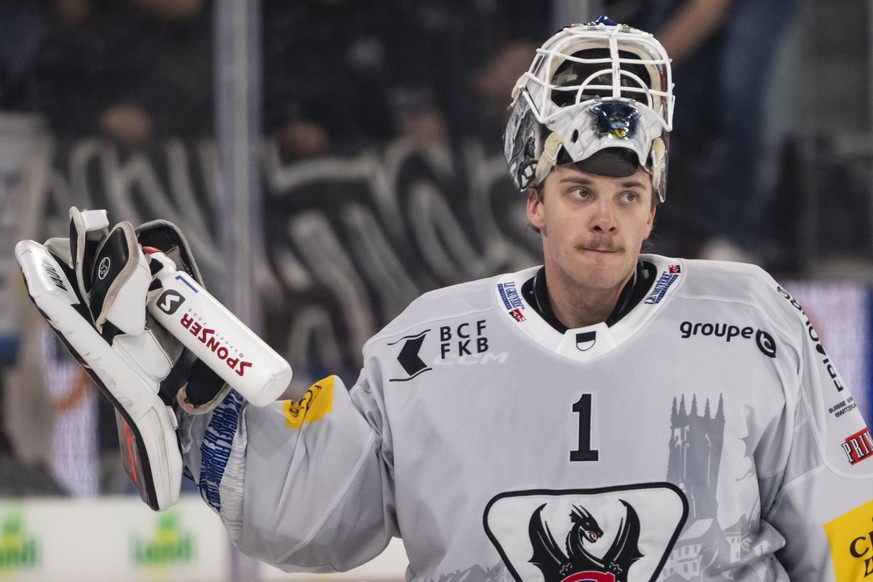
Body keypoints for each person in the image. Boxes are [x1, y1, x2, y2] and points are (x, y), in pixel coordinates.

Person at [16, 17, 873, 581]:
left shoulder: (751, 320)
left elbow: (846, 528)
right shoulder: (428, 346)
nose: (604, 219)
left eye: (626, 195)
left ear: (654, 205)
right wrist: (208, 417)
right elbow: (325, 515)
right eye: (579, 192)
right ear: (533, 201)